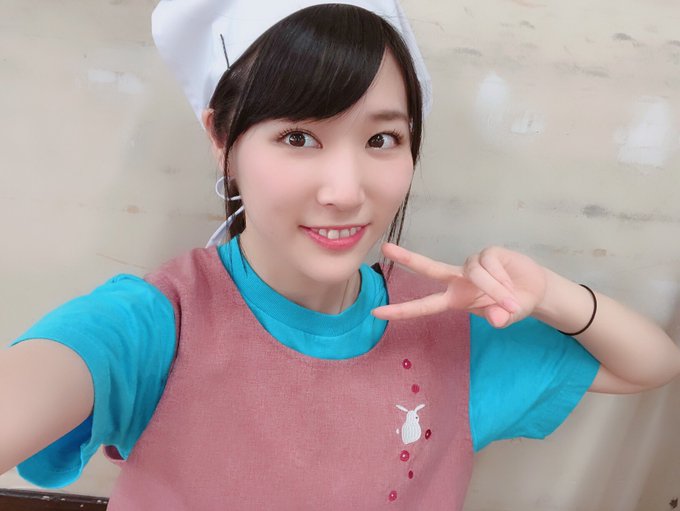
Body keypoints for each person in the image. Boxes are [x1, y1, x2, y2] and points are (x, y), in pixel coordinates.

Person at [1, 1, 679, 510]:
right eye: (299, 137)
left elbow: (653, 364)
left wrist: (550, 293)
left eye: (382, 140)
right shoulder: (156, 325)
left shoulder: (444, 329)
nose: (346, 191)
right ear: (222, 138)